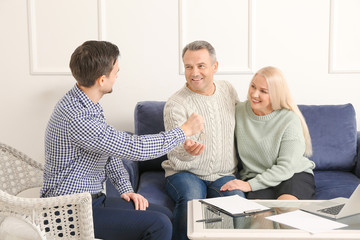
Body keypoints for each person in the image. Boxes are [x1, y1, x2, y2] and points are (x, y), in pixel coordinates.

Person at [41, 40, 204, 240]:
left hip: (90, 201)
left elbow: (108, 151)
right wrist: (183, 130)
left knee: (165, 215)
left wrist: (126, 189)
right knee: (158, 225)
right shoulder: (78, 117)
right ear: (102, 80)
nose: (117, 75)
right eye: (116, 71)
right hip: (67, 212)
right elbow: (134, 148)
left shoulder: (84, 103)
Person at [162, 40, 245, 240]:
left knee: (237, 203)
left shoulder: (227, 90)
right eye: (188, 67)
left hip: (223, 174)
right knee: (191, 199)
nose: (194, 73)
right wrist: (187, 151)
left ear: (215, 67)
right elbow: (176, 154)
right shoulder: (175, 104)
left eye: (201, 66)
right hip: (185, 172)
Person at [221, 66, 316, 200]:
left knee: (286, 210)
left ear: (276, 94)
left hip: (293, 175)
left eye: (263, 91)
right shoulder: (239, 111)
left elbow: (286, 167)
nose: (254, 94)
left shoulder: (289, 119)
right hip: (257, 177)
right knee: (259, 218)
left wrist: (249, 185)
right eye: (253, 86)